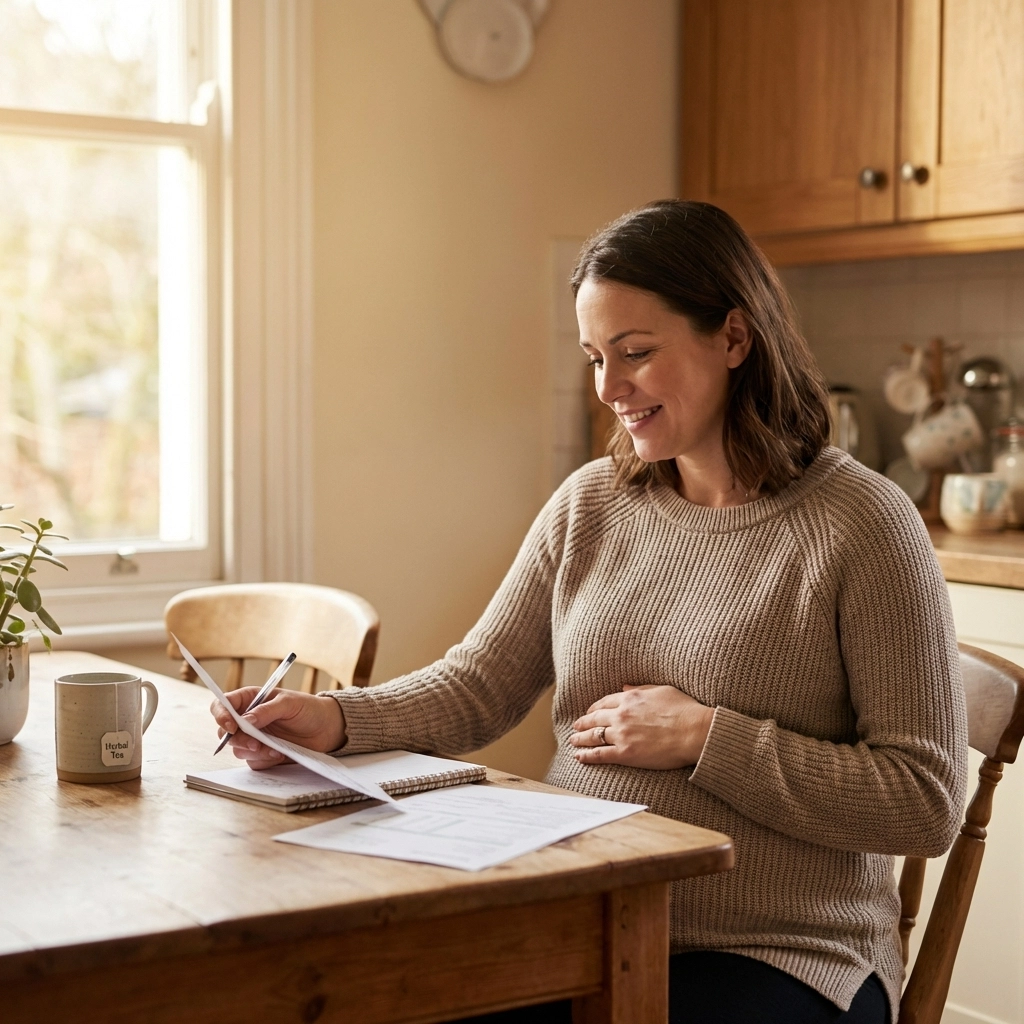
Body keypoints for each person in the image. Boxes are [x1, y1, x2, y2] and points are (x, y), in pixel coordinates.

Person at [211, 200, 967, 1024]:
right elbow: (479, 685)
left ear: (734, 338)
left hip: (778, 951)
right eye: (596, 357)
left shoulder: (863, 524)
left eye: (636, 353)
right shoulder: (592, 504)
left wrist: (706, 737)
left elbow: (924, 800)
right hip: (574, 915)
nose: (609, 388)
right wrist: (332, 720)